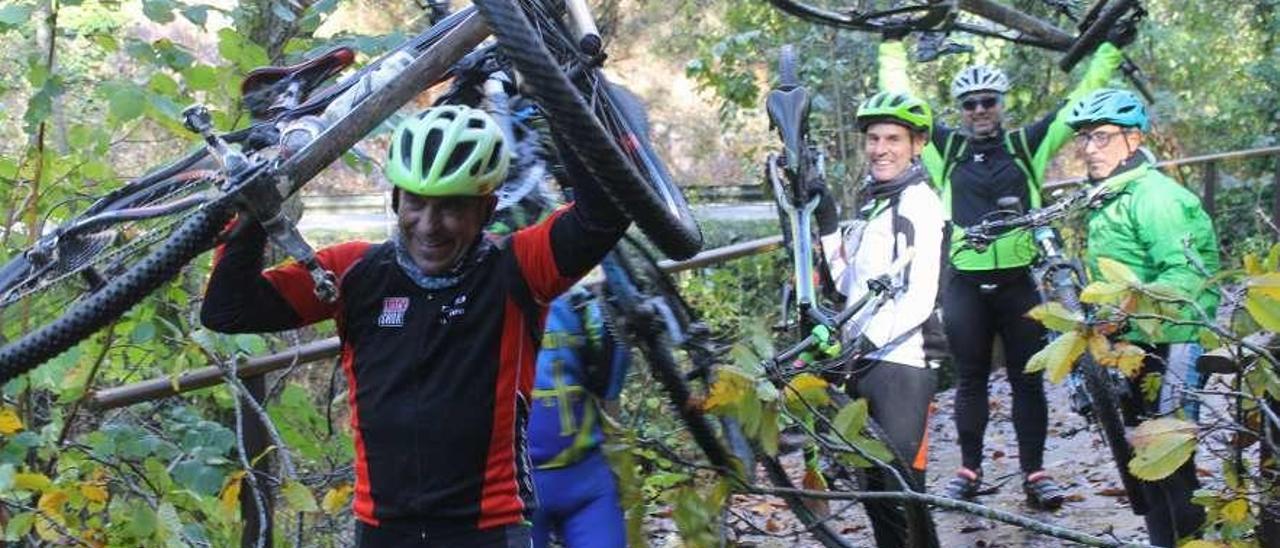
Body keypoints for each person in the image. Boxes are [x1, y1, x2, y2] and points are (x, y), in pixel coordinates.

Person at [200, 104, 630, 546]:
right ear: (395, 199)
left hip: (487, 529)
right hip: (383, 529)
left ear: (487, 209)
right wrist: (249, 212)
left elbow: (603, 214)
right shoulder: (354, 271)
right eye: (416, 203)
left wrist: (558, 93)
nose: (428, 226)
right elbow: (229, 310)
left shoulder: (518, 268)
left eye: (451, 208)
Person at [878, 30, 1131, 507]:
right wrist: (891, 44)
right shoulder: (945, 148)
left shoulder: (1026, 146)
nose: (978, 110)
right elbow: (903, 102)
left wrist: (1109, 48)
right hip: (965, 286)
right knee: (971, 379)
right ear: (960, 109)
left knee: (1026, 380)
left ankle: (1035, 474)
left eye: (987, 101)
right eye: (970, 103)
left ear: (1000, 103)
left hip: (1018, 283)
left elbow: (1078, 99)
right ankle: (969, 471)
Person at [1065, 88, 1215, 546]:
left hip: (1174, 337)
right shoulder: (1109, 195)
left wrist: (1126, 311)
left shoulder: (1156, 196)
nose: (1090, 149)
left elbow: (1187, 277)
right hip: (1132, 343)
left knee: (1170, 456)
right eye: (1085, 139)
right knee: (1140, 457)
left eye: (1102, 137)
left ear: (1133, 139)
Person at [823, 90, 945, 548]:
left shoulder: (919, 203)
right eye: (873, 138)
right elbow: (847, 284)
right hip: (866, 360)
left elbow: (920, 297)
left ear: (916, 144)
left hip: (904, 363)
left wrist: (863, 345)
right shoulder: (878, 203)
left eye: (893, 138)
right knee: (875, 490)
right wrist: (828, 222)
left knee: (902, 490)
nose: (880, 148)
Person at [526, 285, 630, 548]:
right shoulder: (479, 304)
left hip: (587, 480)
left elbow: (609, 384)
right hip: (513, 490)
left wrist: (621, 318)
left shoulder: (576, 302)